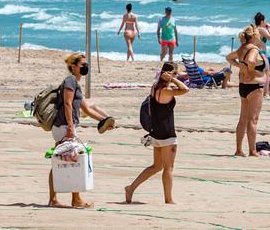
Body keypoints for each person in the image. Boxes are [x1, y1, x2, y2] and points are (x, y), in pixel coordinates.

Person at [48, 52, 115, 208]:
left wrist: (105, 121)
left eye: (87, 65)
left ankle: (59, 198)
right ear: (73, 66)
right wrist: (70, 127)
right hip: (64, 126)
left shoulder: (75, 83)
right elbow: (67, 104)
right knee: (72, 158)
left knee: (61, 160)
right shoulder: (70, 81)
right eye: (83, 65)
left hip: (66, 126)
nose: (86, 67)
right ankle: (73, 199)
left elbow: (87, 109)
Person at [124, 62, 188, 205]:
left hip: (156, 132)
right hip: (167, 133)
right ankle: (169, 199)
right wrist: (173, 80)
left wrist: (169, 78)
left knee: (157, 166)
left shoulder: (154, 88)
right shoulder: (166, 91)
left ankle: (131, 188)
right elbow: (185, 89)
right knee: (168, 168)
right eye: (175, 74)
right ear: (170, 75)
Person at [226, 25, 266, 157]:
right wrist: (250, 71)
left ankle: (238, 149)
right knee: (253, 120)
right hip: (254, 87)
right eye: (259, 34)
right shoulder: (254, 49)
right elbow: (250, 60)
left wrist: (240, 67)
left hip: (243, 86)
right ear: (254, 36)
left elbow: (229, 57)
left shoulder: (241, 48)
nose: (260, 36)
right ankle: (252, 150)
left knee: (243, 119)